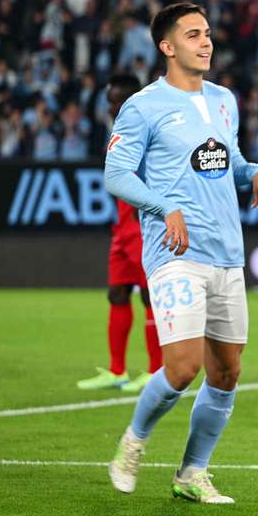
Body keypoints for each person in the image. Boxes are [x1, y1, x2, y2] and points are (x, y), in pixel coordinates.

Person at [104, 2, 258, 504]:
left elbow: (227, 162)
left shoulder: (224, 99)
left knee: (227, 372)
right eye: (192, 35)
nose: (205, 42)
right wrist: (165, 207)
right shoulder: (143, 105)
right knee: (183, 366)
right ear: (167, 47)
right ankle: (134, 440)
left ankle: (192, 472)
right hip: (175, 250)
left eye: (207, 33)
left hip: (226, 252)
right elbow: (116, 175)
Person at [77, 74, 162, 394]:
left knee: (149, 296)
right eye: (109, 100)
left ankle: (156, 371)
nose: (111, 106)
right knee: (117, 293)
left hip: (141, 224)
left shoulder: (146, 129)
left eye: (116, 100)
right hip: (121, 224)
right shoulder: (120, 130)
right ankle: (117, 371)